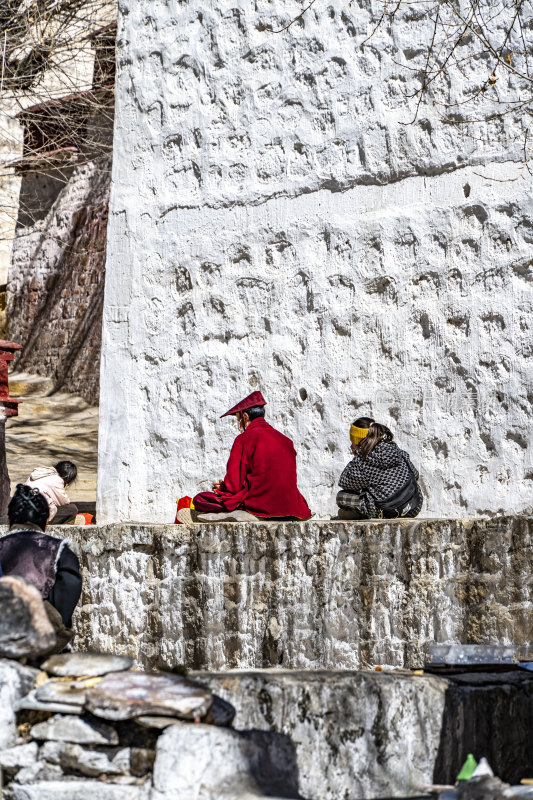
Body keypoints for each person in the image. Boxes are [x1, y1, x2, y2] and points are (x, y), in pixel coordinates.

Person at [178, 391, 312, 522]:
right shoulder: (286, 440)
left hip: (258, 503)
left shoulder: (244, 439)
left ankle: (238, 513)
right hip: (291, 505)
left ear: (246, 417)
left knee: (200, 499)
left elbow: (233, 486)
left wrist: (222, 489)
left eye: (238, 419)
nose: (240, 425)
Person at [0, 484, 82, 650]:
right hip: (47, 652)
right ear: (46, 521)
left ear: (9, 519)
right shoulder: (61, 552)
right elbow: (63, 610)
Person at [336, 417, 423, 519]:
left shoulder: (365, 458)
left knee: (341, 497)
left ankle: (372, 514)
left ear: (356, 441)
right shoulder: (395, 449)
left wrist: (357, 456)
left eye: (352, 442)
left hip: (389, 511)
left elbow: (344, 482)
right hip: (413, 506)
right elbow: (415, 474)